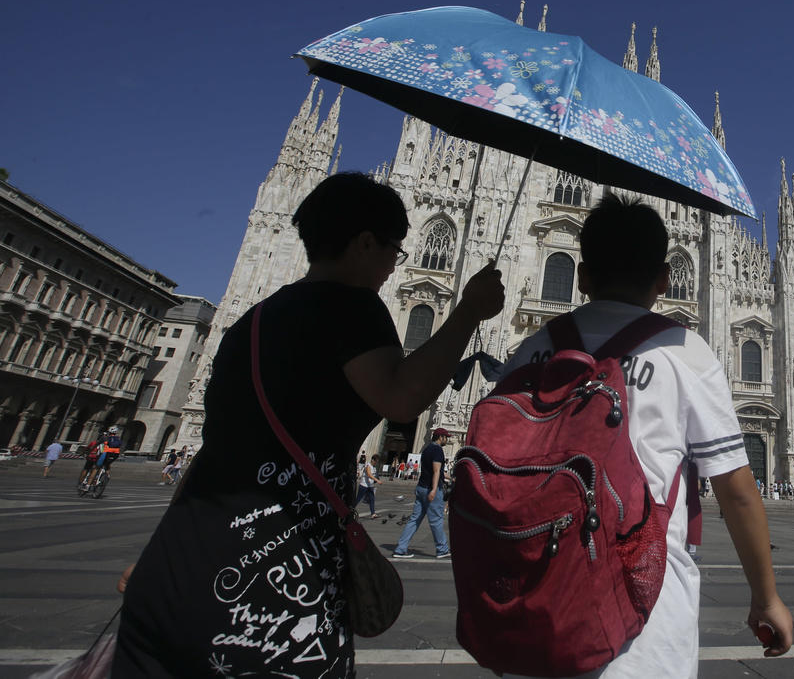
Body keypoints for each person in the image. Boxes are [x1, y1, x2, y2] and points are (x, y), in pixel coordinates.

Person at [113, 172, 505, 678]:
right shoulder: (351, 307)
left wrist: (155, 553)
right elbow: (402, 399)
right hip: (273, 575)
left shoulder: (248, 325)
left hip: (177, 563)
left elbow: (215, 452)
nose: (393, 266)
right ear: (365, 243)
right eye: (394, 250)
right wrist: (468, 312)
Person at [494, 195, 792, 675]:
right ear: (663, 280)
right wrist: (766, 596)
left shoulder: (529, 349)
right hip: (644, 625)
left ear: (583, 275)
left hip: (533, 609)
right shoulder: (685, 351)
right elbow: (736, 492)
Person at [393, 427, 452, 559]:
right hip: (430, 489)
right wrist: (434, 489)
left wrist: (451, 477)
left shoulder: (426, 449)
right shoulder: (437, 450)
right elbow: (436, 472)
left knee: (414, 519)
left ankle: (400, 549)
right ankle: (442, 549)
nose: (446, 440)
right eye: (445, 437)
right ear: (440, 437)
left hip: (421, 488)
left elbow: (436, 471)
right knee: (436, 520)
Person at [355, 453, 378, 519]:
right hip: (364, 485)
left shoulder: (374, 467)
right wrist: (377, 480)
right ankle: (350, 509)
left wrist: (375, 480)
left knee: (372, 499)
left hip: (370, 486)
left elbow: (373, 475)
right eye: (376, 461)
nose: (376, 463)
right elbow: (369, 474)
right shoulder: (368, 465)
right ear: (373, 460)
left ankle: (373, 514)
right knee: (358, 499)